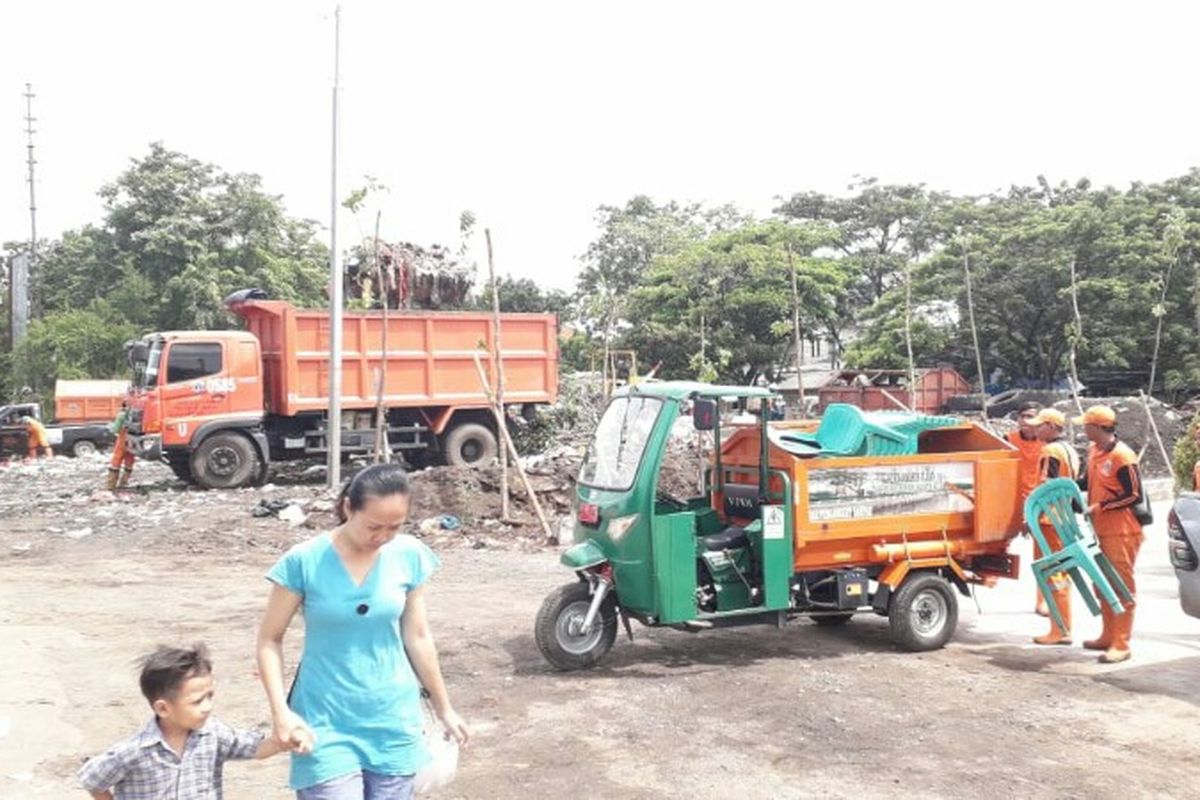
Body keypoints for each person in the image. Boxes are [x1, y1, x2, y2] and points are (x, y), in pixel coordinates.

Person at [258, 463, 470, 799]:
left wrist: (444, 708)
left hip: (392, 718)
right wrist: (280, 712)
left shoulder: (409, 555)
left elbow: (418, 637)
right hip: (323, 718)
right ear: (348, 508)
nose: (382, 537)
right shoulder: (304, 561)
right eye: (373, 526)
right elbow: (270, 639)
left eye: (394, 528)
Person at [78, 644, 296, 799]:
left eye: (210, 696)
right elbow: (92, 779)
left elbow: (255, 748)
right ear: (163, 708)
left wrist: (281, 742)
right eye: (197, 701)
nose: (208, 706)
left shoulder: (214, 735)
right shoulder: (134, 751)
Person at [1075, 405, 1145, 664]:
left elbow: (1133, 494)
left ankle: (1121, 642)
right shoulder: (1094, 452)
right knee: (1102, 584)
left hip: (1122, 531)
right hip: (1100, 530)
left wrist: (1101, 506)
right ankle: (1107, 635)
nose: (1083, 429)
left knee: (1121, 585)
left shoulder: (1123, 456)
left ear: (1097, 427)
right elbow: (1086, 483)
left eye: (1086, 425)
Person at [1029, 408, 1080, 646]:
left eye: (1040, 425)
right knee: (1059, 572)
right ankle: (1062, 626)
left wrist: (1030, 517)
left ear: (1051, 426)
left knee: (1053, 573)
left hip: (1050, 520)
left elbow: (1045, 488)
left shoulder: (1050, 451)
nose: (1036, 429)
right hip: (1063, 517)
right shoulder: (1069, 450)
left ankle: (1060, 630)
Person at [1006, 402, 1048, 616]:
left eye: (1031, 416)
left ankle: (1043, 600)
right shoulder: (1008, 440)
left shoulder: (1048, 445)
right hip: (1011, 502)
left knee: (1043, 555)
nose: (1027, 421)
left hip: (1039, 505)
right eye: (1023, 416)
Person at [107, 403, 136, 491]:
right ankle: (124, 482)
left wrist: (110, 426)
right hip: (134, 440)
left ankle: (111, 485)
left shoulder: (121, 415)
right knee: (129, 460)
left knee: (116, 460)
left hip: (123, 440)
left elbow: (115, 429)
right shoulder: (137, 413)